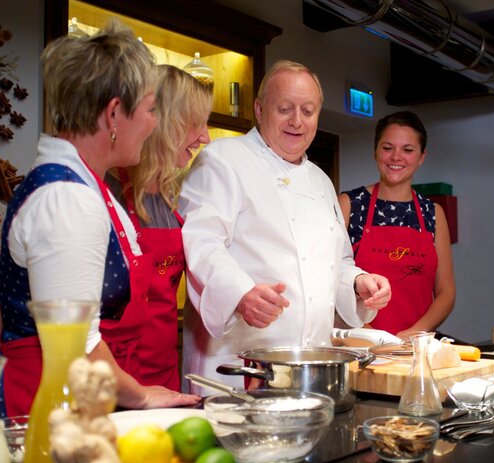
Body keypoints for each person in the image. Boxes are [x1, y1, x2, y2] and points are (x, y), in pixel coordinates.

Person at [0, 20, 199, 416]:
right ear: (114, 114)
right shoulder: (68, 199)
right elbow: (77, 344)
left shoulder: (81, 183)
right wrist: (141, 396)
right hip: (49, 409)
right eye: (150, 110)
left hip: (82, 396)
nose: (153, 124)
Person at [179, 60, 392, 393]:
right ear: (260, 110)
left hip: (307, 367)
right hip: (238, 367)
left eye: (308, 111)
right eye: (285, 109)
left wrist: (358, 283)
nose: (297, 121)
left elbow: (337, 262)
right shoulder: (224, 159)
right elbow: (201, 242)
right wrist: (239, 294)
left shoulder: (321, 181)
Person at [104, 64, 212, 390]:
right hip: (110, 377)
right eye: (196, 124)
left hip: (163, 372)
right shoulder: (108, 190)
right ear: (163, 121)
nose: (205, 137)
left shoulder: (172, 197)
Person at [338, 111, 455, 339]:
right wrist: (374, 338)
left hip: (413, 347)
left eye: (408, 150)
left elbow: (446, 291)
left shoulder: (433, 214)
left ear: (421, 157)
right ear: (375, 152)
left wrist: (413, 334)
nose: (396, 157)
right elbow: (328, 280)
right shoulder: (349, 205)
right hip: (359, 345)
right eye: (387, 147)